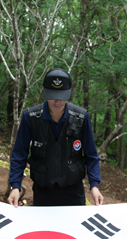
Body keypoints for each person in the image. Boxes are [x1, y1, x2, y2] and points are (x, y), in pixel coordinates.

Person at [8, 68, 103, 207]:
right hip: (43, 190)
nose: (57, 100)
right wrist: (15, 186)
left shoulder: (81, 117)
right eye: (52, 95)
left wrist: (94, 186)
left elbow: (91, 155)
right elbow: (19, 154)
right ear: (45, 91)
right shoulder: (31, 117)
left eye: (62, 95)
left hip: (73, 192)